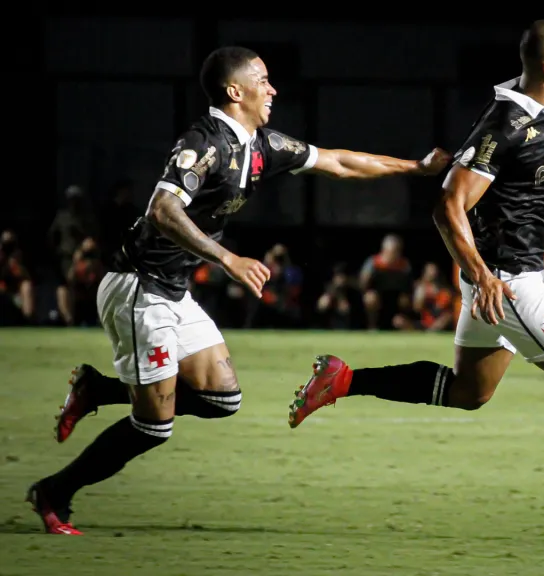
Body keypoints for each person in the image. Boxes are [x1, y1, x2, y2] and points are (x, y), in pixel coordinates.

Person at [288, 20, 544, 538]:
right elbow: (448, 206)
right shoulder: (503, 124)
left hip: (498, 278)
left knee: (468, 392)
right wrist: (484, 276)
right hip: (507, 281)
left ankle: (344, 380)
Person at [29, 45, 452, 535]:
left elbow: (337, 162)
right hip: (139, 289)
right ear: (236, 91)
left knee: (220, 399)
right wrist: (226, 258)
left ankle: (97, 388)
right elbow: (163, 210)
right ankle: (55, 493)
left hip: (171, 292)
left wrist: (415, 168)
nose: (272, 89)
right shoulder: (204, 142)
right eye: (263, 80)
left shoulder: (260, 145)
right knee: (154, 425)